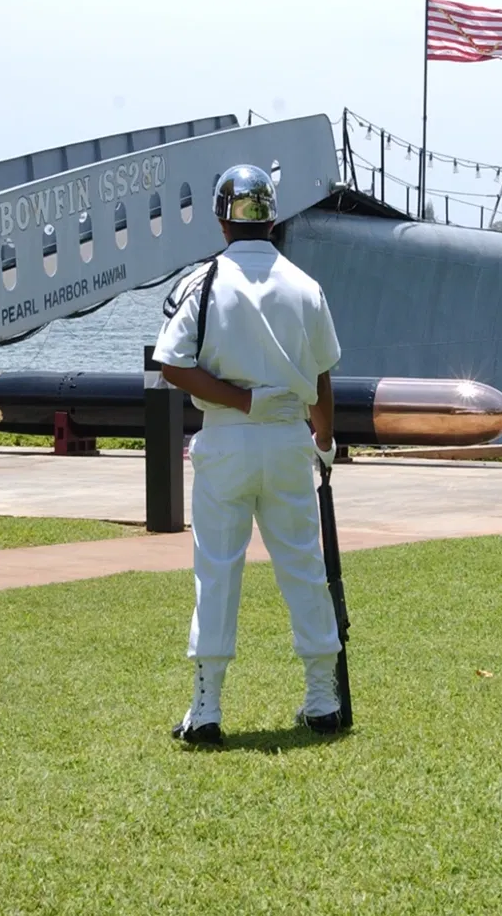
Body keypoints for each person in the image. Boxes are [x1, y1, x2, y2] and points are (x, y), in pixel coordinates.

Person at [154, 163, 344, 743]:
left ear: (221, 218)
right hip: (290, 439)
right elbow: (323, 377)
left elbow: (170, 363)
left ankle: (206, 709)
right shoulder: (305, 285)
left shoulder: (204, 283)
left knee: (216, 571)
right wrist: (325, 443)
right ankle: (321, 696)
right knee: (304, 569)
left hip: (228, 435)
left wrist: (240, 399)